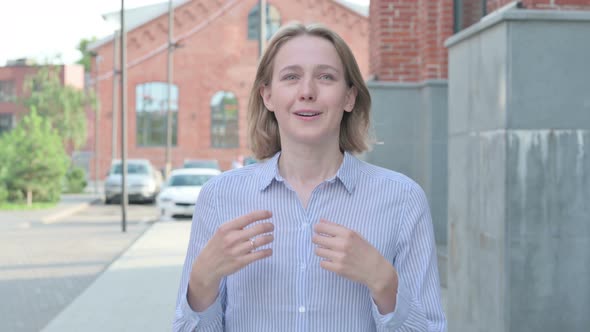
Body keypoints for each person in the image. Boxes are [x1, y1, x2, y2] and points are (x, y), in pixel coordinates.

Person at [173, 22, 446, 331]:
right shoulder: (219, 197)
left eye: (325, 77)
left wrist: (384, 284)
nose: (307, 92)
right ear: (267, 96)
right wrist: (200, 285)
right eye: (291, 77)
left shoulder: (402, 200)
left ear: (349, 97)